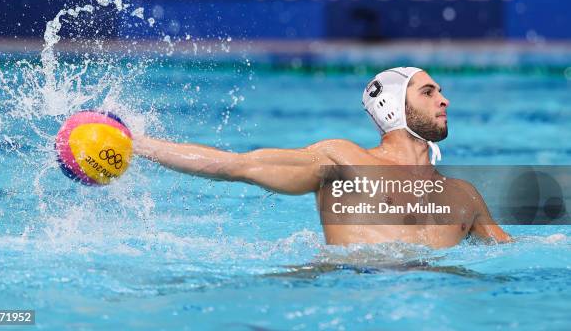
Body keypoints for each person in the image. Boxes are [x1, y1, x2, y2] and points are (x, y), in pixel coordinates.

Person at [134, 67, 511, 248]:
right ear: (394, 108)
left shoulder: (464, 196)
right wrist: (138, 143)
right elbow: (235, 166)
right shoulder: (341, 160)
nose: (444, 100)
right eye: (428, 92)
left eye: (440, 92)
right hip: (349, 296)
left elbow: (513, 259)